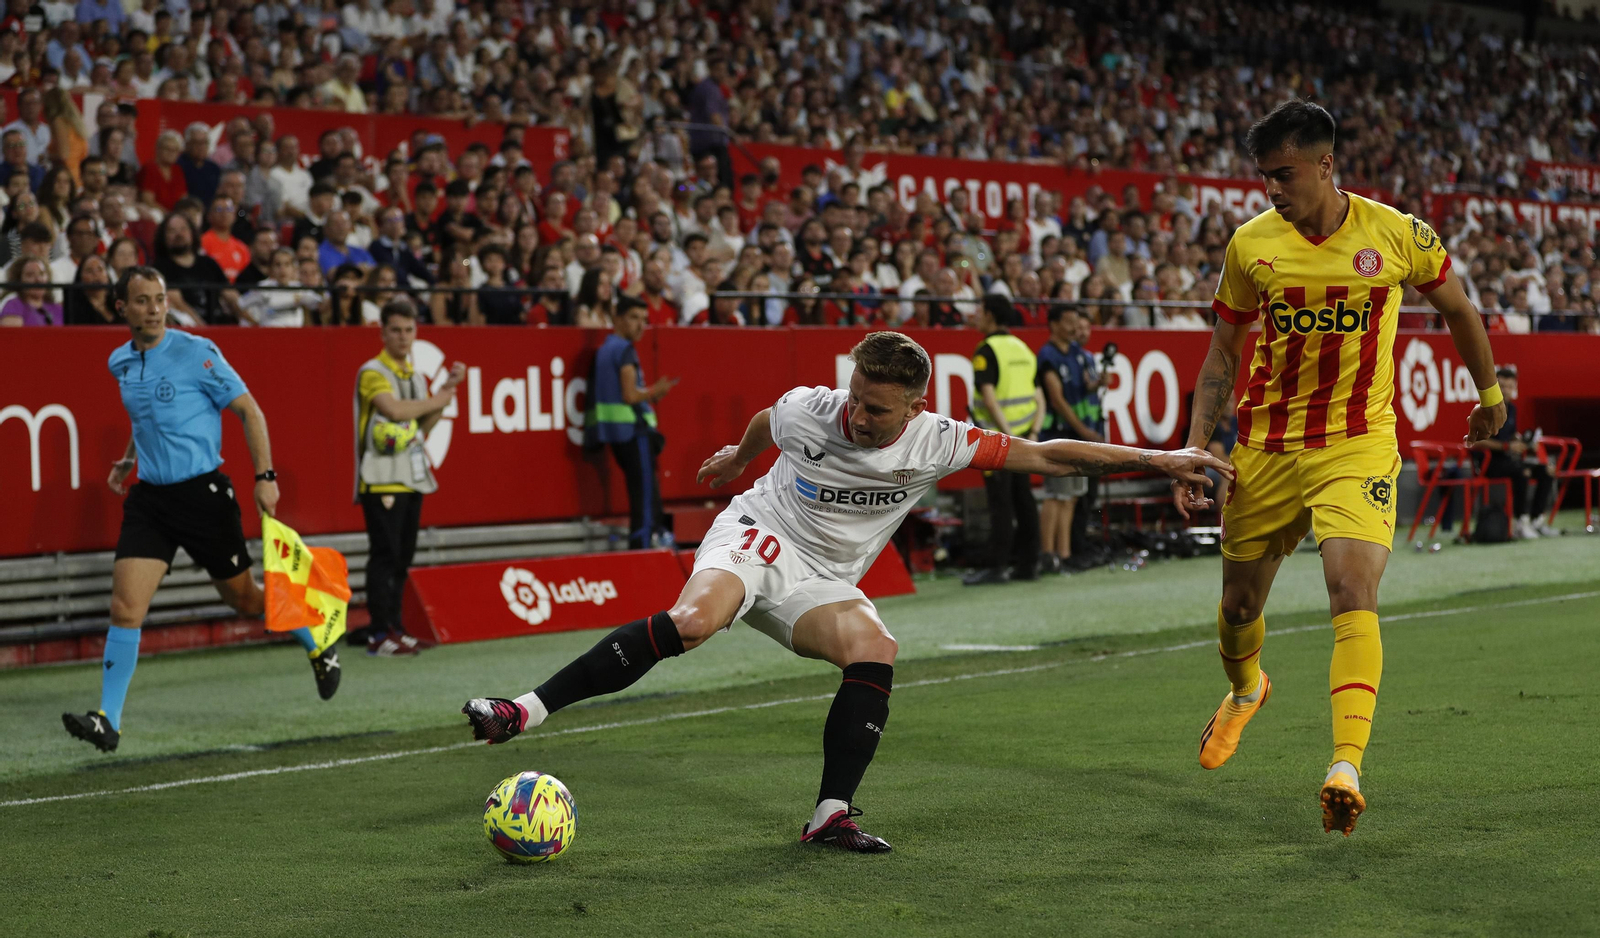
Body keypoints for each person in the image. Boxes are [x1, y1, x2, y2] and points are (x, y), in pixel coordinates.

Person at [463, 331, 1228, 851]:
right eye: (856, 397)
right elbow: (771, 418)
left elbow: (1050, 453)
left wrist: (1160, 461)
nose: (858, 414)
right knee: (694, 621)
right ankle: (518, 711)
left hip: (823, 580)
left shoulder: (941, 441)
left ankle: (829, 815)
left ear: (916, 408)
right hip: (759, 537)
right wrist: (737, 460)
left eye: (877, 407)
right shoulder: (813, 410)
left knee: (876, 646)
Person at [1174, 101, 1504, 836]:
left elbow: (1460, 308)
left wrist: (1490, 395)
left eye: (1284, 175)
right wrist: (1200, 445)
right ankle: (1245, 690)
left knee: (1352, 587)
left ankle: (1345, 765)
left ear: (1325, 164)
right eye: (1264, 178)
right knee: (1237, 609)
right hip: (1264, 446)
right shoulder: (1250, 246)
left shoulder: (1395, 234)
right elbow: (1222, 354)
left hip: (1356, 444)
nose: (1272, 191)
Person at [62, 266, 341, 754]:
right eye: (142, 300)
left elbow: (250, 411)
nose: (153, 308)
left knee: (245, 600)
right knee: (125, 607)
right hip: (150, 500)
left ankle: (316, 640)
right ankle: (108, 719)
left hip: (203, 495)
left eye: (160, 299)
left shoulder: (197, 352)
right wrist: (128, 461)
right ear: (121, 308)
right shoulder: (120, 362)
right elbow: (144, 416)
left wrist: (265, 478)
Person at [352, 299, 466, 655]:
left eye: (409, 330)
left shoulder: (415, 377)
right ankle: (378, 634)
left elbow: (419, 427)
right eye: (396, 330)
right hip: (381, 478)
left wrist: (444, 395)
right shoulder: (373, 372)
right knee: (384, 555)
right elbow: (395, 410)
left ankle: (396, 628)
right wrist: (438, 397)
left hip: (412, 477)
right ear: (383, 333)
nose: (403, 337)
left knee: (402, 557)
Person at [963, 294, 1046, 585]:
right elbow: (1039, 397)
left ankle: (997, 566)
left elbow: (988, 395)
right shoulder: (1023, 348)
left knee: (1001, 503)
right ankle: (1029, 564)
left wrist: (1005, 433)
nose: (976, 315)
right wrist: (1032, 433)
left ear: (990, 315)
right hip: (1025, 435)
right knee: (1024, 500)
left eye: (980, 310)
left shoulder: (986, 350)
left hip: (997, 440)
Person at [586, 302, 676, 548]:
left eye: (644, 319)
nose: (641, 325)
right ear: (618, 318)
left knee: (641, 497)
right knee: (645, 501)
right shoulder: (624, 349)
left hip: (617, 436)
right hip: (634, 433)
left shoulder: (605, 349)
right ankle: (643, 549)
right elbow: (630, 395)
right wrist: (655, 390)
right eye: (634, 317)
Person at [1035, 306, 1099, 573]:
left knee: (1071, 496)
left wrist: (1097, 382)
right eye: (1069, 321)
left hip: (1077, 434)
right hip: (1058, 435)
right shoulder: (1047, 355)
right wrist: (1085, 432)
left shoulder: (1077, 354)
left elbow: (1083, 387)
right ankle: (1048, 554)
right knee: (1055, 495)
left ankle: (1065, 554)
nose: (1074, 326)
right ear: (1054, 324)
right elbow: (1057, 400)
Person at [1474, 367, 1558, 539]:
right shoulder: (1485, 409)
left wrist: (1526, 443)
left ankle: (1537, 520)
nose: (1505, 390)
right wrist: (1507, 447)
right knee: (1522, 472)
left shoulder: (1512, 409)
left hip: (1509, 461)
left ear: (1515, 387)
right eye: (1502, 386)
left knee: (1546, 471)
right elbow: (1476, 441)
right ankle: (1521, 521)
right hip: (1488, 464)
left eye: (1509, 386)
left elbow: (1510, 435)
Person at [0, 256, 62, 325]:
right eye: (30, 275)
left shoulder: (58, 309)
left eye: (41, 274)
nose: (38, 280)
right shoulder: (14, 306)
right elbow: (12, 335)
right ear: (19, 280)